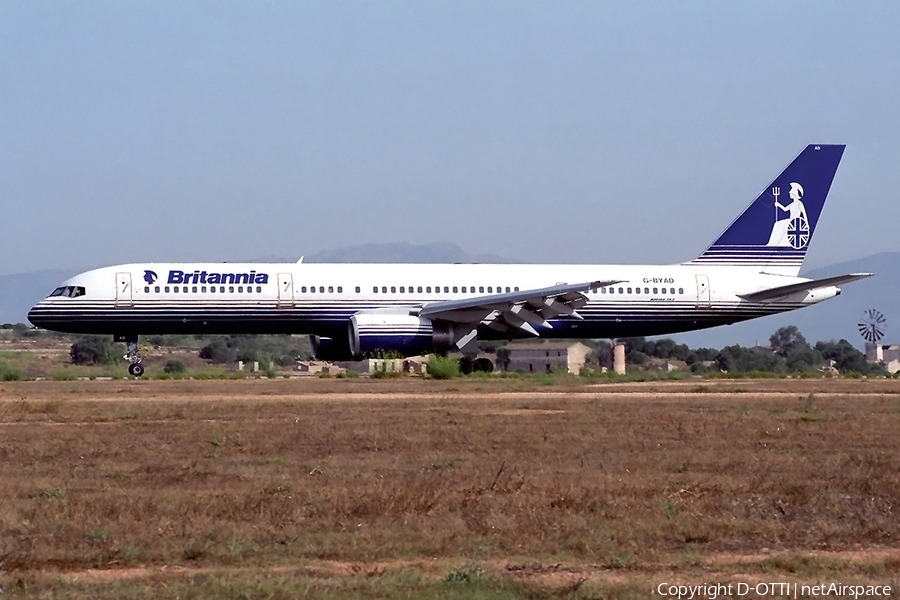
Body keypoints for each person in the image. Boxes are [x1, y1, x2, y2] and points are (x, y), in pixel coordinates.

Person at [766, 182, 808, 247]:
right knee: (777, 223)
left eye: (790, 193)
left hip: (795, 221)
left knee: (780, 224)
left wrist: (807, 224)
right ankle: (773, 242)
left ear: (794, 194)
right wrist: (778, 204)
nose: (789, 194)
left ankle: (774, 244)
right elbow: (785, 209)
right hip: (790, 220)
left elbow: (804, 213)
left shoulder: (799, 203)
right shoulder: (792, 204)